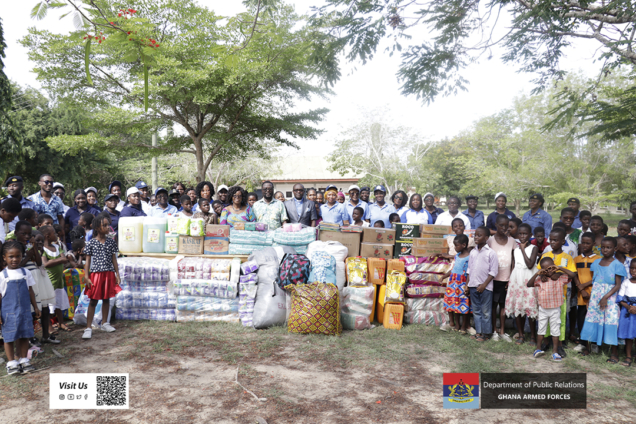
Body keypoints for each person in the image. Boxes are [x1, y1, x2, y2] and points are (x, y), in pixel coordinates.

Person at [580, 237, 626, 364]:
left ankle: (614, 353)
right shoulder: (596, 263)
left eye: (609, 247)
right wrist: (591, 297)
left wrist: (605, 297)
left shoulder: (617, 265)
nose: (605, 250)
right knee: (592, 319)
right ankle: (589, 348)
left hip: (610, 298)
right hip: (596, 297)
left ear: (615, 249)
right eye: (603, 247)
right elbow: (595, 281)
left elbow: (617, 285)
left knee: (611, 321)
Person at [1, 240, 40, 374]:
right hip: (8, 314)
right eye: (11, 256)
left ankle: (24, 360)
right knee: (9, 337)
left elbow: (30, 291)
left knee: (25, 335)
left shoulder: (25, 273)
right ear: (4, 257)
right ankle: (12, 363)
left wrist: (35, 307)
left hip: (25, 311)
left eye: (18, 256)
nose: (15, 259)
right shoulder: (2, 276)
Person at [538, 227, 579, 358]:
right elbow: (539, 272)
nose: (552, 242)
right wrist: (543, 277)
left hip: (561, 294)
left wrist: (559, 272)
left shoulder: (567, 257)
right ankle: (545, 342)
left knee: (559, 320)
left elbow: (572, 273)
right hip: (546, 294)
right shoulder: (545, 255)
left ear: (562, 241)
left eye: (556, 240)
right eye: (551, 240)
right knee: (545, 320)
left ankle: (559, 345)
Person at [14, 223, 58, 345]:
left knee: (44, 308)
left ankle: (45, 335)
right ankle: (30, 337)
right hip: (27, 280)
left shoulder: (30, 245)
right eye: (24, 234)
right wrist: (28, 256)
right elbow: (18, 265)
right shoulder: (14, 247)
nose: (27, 236)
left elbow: (39, 262)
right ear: (16, 233)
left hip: (38, 278)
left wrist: (33, 247)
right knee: (31, 310)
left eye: (29, 234)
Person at [82, 214, 121, 339]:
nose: (107, 227)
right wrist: (86, 276)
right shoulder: (91, 243)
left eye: (108, 224)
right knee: (93, 300)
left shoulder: (111, 242)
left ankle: (105, 323)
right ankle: (88, 327)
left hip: (108, 273)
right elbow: (87, 261)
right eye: (104, 225)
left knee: (106, 299)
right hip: (96, 275)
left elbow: (114, 259)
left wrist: (117, 274)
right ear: (97, 228)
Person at [527, 257, 572, 362]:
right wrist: (538, 273)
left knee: (555, 331)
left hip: (555, 309)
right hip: (543, 309)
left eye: (551, 268)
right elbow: (529, 284)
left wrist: (559, 269)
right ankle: (538, 349)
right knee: (541, 329)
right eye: (546, 269)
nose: (549, 271)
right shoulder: (540, 279)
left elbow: (573, 275)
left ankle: (555, 352)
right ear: (542, 270)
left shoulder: (559, 278)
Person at [506, 223, 539, 345]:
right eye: (520, 233)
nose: (522, 236)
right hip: (517, 278)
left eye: (525, 234)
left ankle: (533, 336)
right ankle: (521, 334)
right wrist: (510, 280)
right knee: (518, 306)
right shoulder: (515, 250)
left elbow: (530, 264)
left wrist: (523, 249)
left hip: (529, 278)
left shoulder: (533, 248)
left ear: (530, 235)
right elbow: (513, 265)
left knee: (529, 307)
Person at [487, 214, 516, 342]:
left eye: (507, 226)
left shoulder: (512, 241)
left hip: (506, 280)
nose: (505, 228)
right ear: (496, 226)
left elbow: (514, 260)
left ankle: (503, 331)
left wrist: (512, 278)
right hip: (492, 280)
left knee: (503, 306)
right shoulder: (490, 241)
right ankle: (494, 331)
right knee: (493, 306)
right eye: (502, 225)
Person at [467, 226, 499, 342]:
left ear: (486, 238)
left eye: (479, 235)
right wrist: (467, 285)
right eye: (475, 235)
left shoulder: (491, 253)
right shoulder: (473, 252)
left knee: (486, 311)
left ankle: (486, 333)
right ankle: (479, 332)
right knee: (476, 310)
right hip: (473, 285)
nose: (476, 237)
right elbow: (469, 270)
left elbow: (493, 272)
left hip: (486, 287)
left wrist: (484, 285)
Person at [573, 233, 601, 354]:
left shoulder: (598, 259)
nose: (585, 245)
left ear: (594, 244)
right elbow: (574, 275)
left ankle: (594, 343)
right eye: (583, 243)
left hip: (594, 295)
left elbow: (599, 276)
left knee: (594, 319)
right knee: (581, 318)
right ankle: (583, 342)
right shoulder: (577, 259)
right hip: (581, 295)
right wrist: (581, 289)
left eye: (588, 243)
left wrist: (585, 286)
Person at [41, 225, 71, 333]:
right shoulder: (43, 249)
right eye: (54, 233)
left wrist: (59, 259)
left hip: (59, 282)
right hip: (49, 282)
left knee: (58, 302)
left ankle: (61, 322)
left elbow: (65, 259)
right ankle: (49, 326)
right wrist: (60, 259)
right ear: (47, 236)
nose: (56, 235)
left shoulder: (57, 247)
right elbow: (46, 264)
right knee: (49, 305)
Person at [441, 234, 471, 333]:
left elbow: (469, 272)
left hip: (463, 284)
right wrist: (444, 276)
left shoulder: (469, 257)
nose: (455, 248)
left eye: (456, 245)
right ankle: (457, 325)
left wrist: (467, 285)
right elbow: (453, 270)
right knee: (454, 304)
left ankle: (463, 326)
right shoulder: (457, 256)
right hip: (453, 284)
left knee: (464, 304)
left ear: (463, 245)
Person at [28, 174, 65, 241]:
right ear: (40, 183)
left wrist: (60, 231)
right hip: (38, 234)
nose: (49, 184)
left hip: (53, 234)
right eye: (47, 182)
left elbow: (61, 218)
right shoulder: (31, 199)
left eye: (51, 182)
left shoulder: (57, 200)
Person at [617, 260, 636, 366]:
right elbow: (620, 298)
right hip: (628, 311)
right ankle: (628, 356)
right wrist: (630, 307)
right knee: (629, 336)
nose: (633, 271)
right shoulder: (626, 282)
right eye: (631, 268)